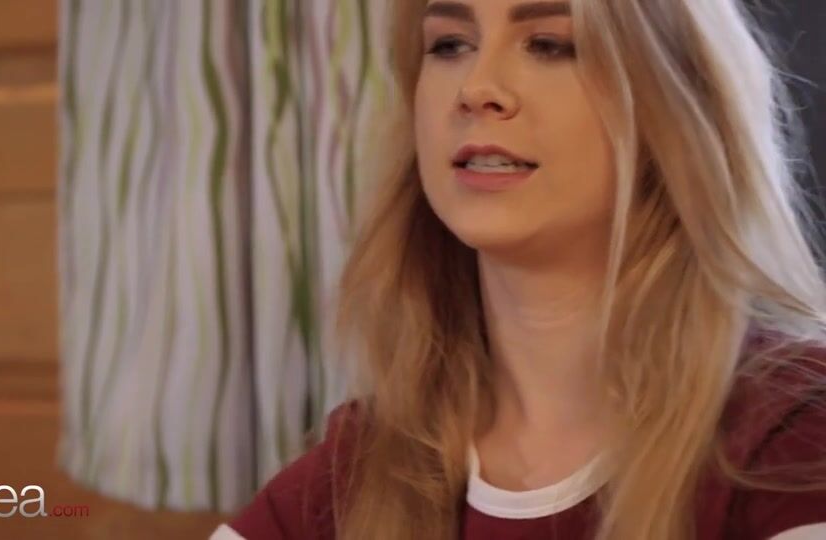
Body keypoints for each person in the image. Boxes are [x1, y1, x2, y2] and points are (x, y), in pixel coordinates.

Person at [212, 0, 826, 538]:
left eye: (549, 44)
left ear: (674, 100)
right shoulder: (357, 474)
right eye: (450, 44)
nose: (476, 87)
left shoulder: (794, 430)